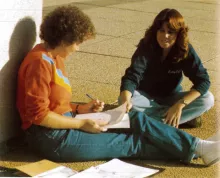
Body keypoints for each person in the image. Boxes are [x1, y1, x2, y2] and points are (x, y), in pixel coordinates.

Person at [16, 5, 219, 166]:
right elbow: (39, 116)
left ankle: (199, 147)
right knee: (133, 143)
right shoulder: (39, 62)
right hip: (52, 139)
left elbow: (55, 103)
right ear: (65, 38)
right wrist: (80, 123)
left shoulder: (54, 56)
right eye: (78, 43)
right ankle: (199, 150)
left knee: (134, 118)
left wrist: (81, 109)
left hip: (67, 122)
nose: (77, 49)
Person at [120, 8, 214, 128]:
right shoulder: (147, 45)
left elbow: (203, 81)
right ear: (155, 31)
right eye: (161, 30)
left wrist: (180, 105)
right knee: (126, 99)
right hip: (146, 97)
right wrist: (125, 100)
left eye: (171, 32)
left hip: (172, 97)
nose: (165, 36)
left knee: (208, 99)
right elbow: (132, 76)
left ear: (179, 34)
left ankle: (150, 121)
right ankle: (174, 119)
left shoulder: (185, 50)